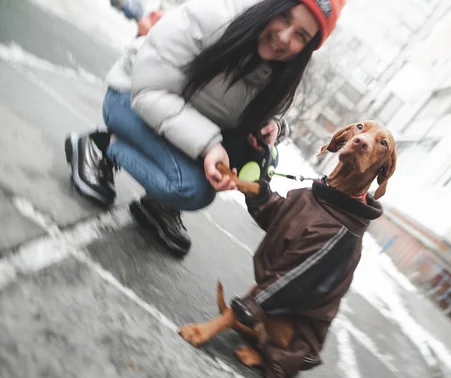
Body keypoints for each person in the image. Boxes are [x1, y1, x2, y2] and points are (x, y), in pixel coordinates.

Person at [65, 0, 346, 256]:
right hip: (131, 98)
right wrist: (209, 145)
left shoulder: (283, 73)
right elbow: (148, 91)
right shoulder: (214, 17)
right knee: (191, 189)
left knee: (242, 153)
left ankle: (160, 204)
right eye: (284, 16)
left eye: (301, 36)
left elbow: (270, 116)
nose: (284, 37)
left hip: (179, 118)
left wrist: (270, 126)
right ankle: (100, 146)